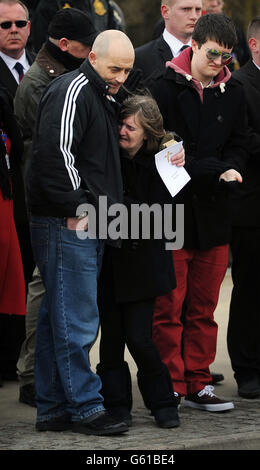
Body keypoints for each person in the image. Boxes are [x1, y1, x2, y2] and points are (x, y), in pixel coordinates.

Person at [26, 29, 134, 435]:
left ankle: (53, 408)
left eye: (127, 70)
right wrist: (79, 207)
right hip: (69, 220)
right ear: (91, 57)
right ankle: (87, 406)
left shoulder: (98, 92)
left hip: (82, 217)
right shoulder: (73, 90)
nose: (121, 77)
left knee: (61, 317)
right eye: (115, 68)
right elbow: (55, 155)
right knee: (78, 319)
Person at [149, 13, 248, 412]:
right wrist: (211, 166)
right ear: (196, 43)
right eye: (213, 53)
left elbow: (241, 141)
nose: (219, 62)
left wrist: (233, 165)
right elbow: (159, 152)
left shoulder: (233, 90)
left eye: (226, 56)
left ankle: (199, 382)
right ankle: (171, 385)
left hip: (215, 215)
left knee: (204, 308)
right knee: (169, 307)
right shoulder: (163, 86)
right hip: (173, 214)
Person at [14, 7, 98, 408]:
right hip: (50, 205)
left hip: (63, 201)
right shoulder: (39, 83)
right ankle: (33, 375)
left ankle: (45, 378)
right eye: (85, 48)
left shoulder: (60, 74)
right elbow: (43, 152)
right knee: (44, 287)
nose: (89, 55)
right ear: (64, 45)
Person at [96, 94, 186, 429]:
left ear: (147, 133)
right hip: (110, 264)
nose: (122, 131)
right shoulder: (108, 157)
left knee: (139, 338)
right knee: (111, 342)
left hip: (143, 267)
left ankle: (162, 401)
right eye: (120, 123)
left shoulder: (165, 162)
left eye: (129, 127)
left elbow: (160, 216)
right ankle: (117, 406)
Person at [0, 0, 35, 382]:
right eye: (4, 23)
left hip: (41, 197)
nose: (13, 28)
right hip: (8, 196)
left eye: (19, 22)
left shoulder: (47, 70)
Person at [227, 16, 260, 399]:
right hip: (252, 208)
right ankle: (247, 368)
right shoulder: (239, 84)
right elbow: (244, 139)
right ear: (253, 45)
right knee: (250, 289)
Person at [0, 85, 26, 386]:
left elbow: (17, 151)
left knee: (10, 285)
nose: (13, 32)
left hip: (8, 203)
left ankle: (7, 362)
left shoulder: (3, 97)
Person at [134, 0, 202, 84]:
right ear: (165, 12)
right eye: (186, 9)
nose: (194, 16)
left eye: (198, 9)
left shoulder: (210, 56)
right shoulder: (140, 59)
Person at [30, 0, 125, 53]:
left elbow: (115, 37)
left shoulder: (105, 3)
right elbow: (41, 46)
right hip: (65, 71)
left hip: (101, 65)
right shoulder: (50, 5)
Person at [202, 0, 250, 69]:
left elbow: (245, 62)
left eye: (218, 1)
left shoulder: (235, 31)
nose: (214, 4)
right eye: (210, 0)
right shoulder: (188, 29)